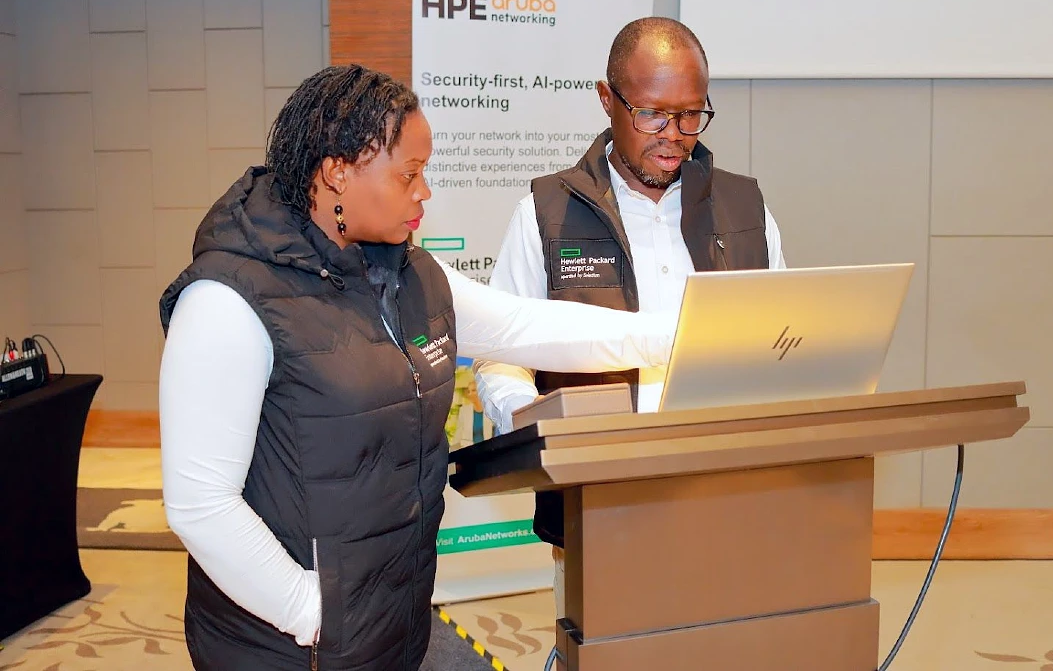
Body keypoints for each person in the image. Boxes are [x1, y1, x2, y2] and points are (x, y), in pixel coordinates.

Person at [157, 65, 679, 671]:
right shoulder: (228, 299)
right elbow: (201, 505)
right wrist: (313, 614)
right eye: (409, 174)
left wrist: (689, 335)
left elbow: (529, 328)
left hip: (390, 620)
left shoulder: (409, 274)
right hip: (286, 645)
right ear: (336, 172)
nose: (424, 191)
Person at [473, 17, 787, 618]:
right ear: (606, 100)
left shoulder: (746, 208)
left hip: (729, 497)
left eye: (691, 114)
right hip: (596, 507)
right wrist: (534, 424)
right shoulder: (547, 214)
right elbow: (500, 353)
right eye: (652, 114)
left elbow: (780, 343)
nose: (673, 135)